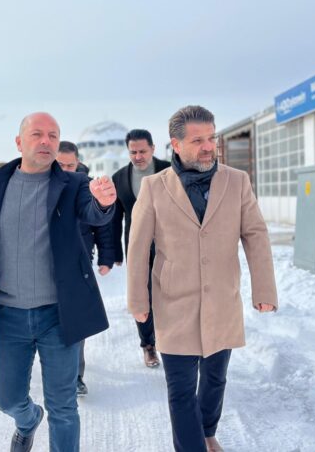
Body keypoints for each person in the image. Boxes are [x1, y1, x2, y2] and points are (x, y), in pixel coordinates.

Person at [0, 112, 117, 452]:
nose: (46, 141)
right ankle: (28, 419)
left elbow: (92, 211)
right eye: (37, 134)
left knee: (64, 406)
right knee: (6, 398)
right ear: (19, 142)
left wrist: (104, 203)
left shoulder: (73, 184)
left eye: (53, 135)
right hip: (8, 316)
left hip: (59, 316)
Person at [126, 105, 278, 452]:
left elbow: (255, 234)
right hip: (173, 303)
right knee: (180, 390)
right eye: (198, 141)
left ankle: (207, 432)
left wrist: (264, 289)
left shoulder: (237, 181)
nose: (209, 146)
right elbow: (138, 247)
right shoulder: (154, 187)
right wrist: (138, 300)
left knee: (214, 379)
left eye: (212, 138)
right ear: (176, 144)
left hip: (222, 300)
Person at [56, 141, 114, 397]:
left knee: (75, 317)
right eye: (60, 164)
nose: (65, 169)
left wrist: (106, 257)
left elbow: (102, 224)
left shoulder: (87, 186)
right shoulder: (41, 184)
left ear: (78, 163)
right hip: (47, 263)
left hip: (79, 260)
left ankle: (76, 376)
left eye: (70, 165)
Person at [111, 129, 170, 367]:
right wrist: (115, 251)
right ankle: (148, 345)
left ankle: (172, 341)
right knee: (141, 295)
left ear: (153, 149)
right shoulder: (119, 178)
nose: (138, 156)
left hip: (170, 243)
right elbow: (115, 218)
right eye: (133, 152)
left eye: (143, 151)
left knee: (171, 292)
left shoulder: (169, 170)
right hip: (136, 246)